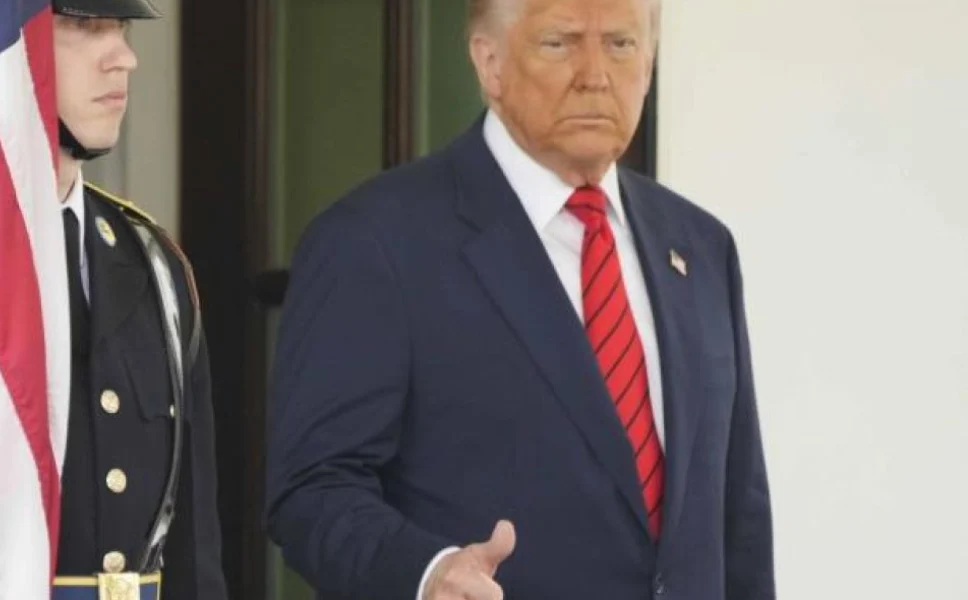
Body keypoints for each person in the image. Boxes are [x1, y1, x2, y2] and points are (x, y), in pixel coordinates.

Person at [266, 0, 774, 598]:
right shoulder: (375, 241)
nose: (595, 75)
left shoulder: (701, 246)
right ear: (489, 63)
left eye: (620, 44)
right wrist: (427, 572)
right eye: (560, 43)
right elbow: (312, 490)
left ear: (650, 60)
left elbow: (738, 518)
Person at [52, 1, 227, 598]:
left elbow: (193, 555)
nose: (124, 58)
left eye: (121, 28)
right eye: (84, 26)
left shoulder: (153, 262)